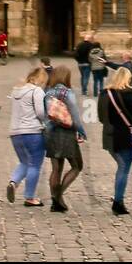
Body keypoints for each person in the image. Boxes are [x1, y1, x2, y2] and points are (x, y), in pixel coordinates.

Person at [99, 67, 132, 216]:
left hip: (109, 135)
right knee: (124, 167)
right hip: (124, 136)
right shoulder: (128, 93)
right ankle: (118, 202)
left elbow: (100, 117)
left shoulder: (104, 93)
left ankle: (118, 199)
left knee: (121, 166)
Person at [44, 65, 87, 212]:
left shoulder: (48, 92)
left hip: (51, 133)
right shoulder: (67, 93)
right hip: (66, 133)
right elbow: (74, 116)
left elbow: (46, 114)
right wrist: (81, 131)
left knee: (56, 169)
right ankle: (58, 196)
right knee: (77, 166)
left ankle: (55, 201)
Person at [7, 66, 49, 207]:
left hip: (15, 132)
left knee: (24, 162)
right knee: (35, 165)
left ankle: (14, 182)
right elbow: (40, 113)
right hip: (32, 131)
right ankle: (30, 197)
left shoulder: (16, 90)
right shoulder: (36, 91)